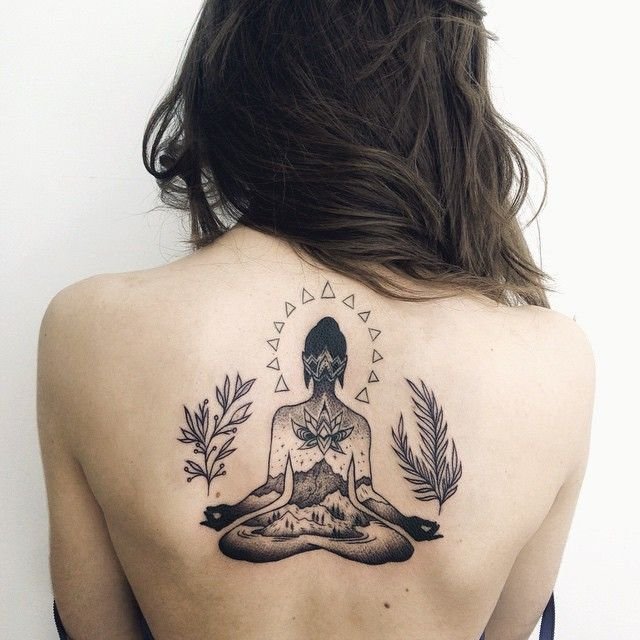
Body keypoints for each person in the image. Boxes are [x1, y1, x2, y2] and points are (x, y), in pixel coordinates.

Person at [38, 1, 594, 639]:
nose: (324, 367)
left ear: (230, 83)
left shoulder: (87, 330)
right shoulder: (554, 361)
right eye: (317, 360)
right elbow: (275, 491)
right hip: (299, 523)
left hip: (337, 526)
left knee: (367, 537)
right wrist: (230, 511)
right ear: (453, 103)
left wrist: (401, 523)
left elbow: (94, 627)